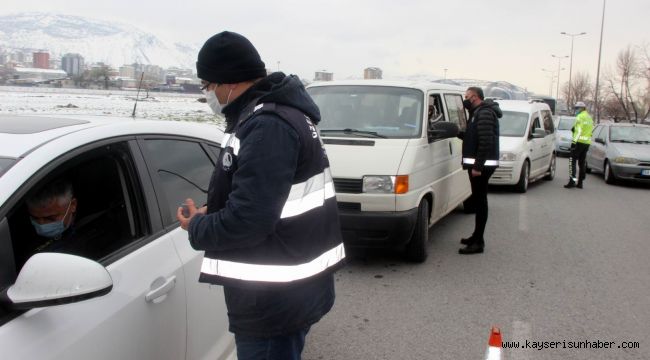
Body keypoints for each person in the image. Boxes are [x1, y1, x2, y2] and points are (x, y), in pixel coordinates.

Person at [176, 31, 345, 360]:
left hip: (274, 298)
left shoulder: (268, 124)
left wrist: (197, 226)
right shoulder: (267, 116)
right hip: (286, 286)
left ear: (229, 81)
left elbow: (249, 221)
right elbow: (266, 192)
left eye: (208, 85)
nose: (208, 94)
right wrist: (218, 205)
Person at [457, 87, 501, 255]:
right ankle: (475, 236)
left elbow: (485, 141)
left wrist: (477, 167)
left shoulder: (483, 114)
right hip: (480, 164)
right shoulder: (477, 113)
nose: (465, 100)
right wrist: (460, 134)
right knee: (478, 199)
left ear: (475, 97)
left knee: (480, 202)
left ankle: (479, 242)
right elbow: (474, 136)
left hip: (482, 166)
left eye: (467, 97)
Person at [565, 101, 594, 189]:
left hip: (578, 142)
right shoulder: (589, 117)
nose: (576, 110)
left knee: (572, 161)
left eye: (577, 108)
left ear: (581, 108)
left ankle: (572, 181)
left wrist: (574, 142)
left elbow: (579, 131)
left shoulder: (580, 117)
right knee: (582, 162)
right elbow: (589, 130)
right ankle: (580, 182)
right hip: (586, 143)